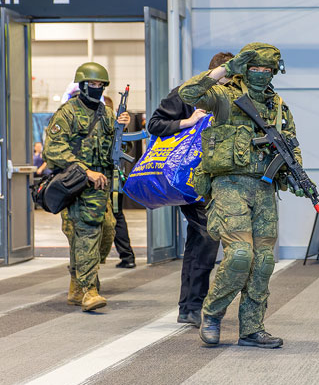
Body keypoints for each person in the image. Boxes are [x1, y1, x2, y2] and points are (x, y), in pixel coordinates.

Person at [179, 42, 305, 348]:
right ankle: (211, 314)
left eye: (267, 69)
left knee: (262, 261)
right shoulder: (225, 96)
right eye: (255, 68)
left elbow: (291, 143)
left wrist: (297, 173)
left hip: (263, 188)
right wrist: (224, 70)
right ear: (244, 68)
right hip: (228, 186)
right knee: (239, 255)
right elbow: (188, 93)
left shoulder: (277, 105)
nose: (261, 74)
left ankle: (251, 328)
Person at [147, 52, 231, 327]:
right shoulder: (187, 93)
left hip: (222, 182)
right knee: (205, 237)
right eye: (226, 78)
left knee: (204, 241)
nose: (229, 85)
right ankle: (192, 305)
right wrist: (188, 121)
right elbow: (155, 124)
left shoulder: (235, 96)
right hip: (191, 181)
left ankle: (194, 305)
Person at [43, 62, 130, 312]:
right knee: (87, 235)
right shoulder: (67, 113)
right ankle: (89, 290)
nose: (97, 88)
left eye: (101, 85)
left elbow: (120, 149)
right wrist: (86, 171)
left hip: (103, 187)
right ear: (82, 85)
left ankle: (76, 281)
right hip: (79, 186)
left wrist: (121, 127)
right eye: (93, 84)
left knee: (107, 233)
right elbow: (53, 150)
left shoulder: (106, 113)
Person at [103, 95, 137, 269]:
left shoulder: (114, 128)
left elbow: (126, 148)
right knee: (117, 217)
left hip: (113, 180)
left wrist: (122, 129)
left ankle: (127, 256)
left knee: (116, 216)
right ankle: (127, 256)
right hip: (113, 180)